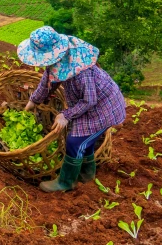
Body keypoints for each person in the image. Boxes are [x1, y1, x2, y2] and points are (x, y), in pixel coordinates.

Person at [17, 26, 126, 193]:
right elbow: (48, 80)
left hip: (103, 108)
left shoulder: (82, 71)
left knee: (75, 142)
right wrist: (33, 101)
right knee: (85, 142)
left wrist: (65, 115)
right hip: (89, 106)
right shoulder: (57, 60)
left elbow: (90, 100)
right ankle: (86, 176)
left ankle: (66, 182)